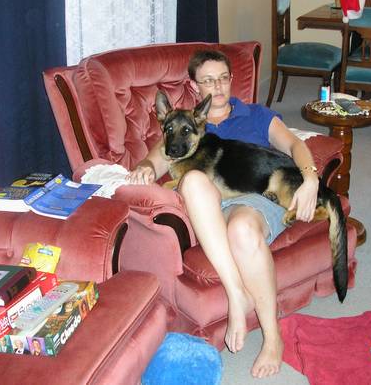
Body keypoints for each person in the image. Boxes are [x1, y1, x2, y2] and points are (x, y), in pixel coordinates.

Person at [128, 50, 320, 378]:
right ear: (194, 86)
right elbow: (155, 160)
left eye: (223, 78)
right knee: (192, 180)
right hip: (210, 208)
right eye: (208, 80)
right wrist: (144, 167)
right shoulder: (182, 125)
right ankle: (236, 293)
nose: (217, 86)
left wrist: (311, 179)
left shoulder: (256, 115)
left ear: (232, 79)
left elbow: (294, 145)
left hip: (257, 196)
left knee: (242, 229)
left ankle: (273, 338)